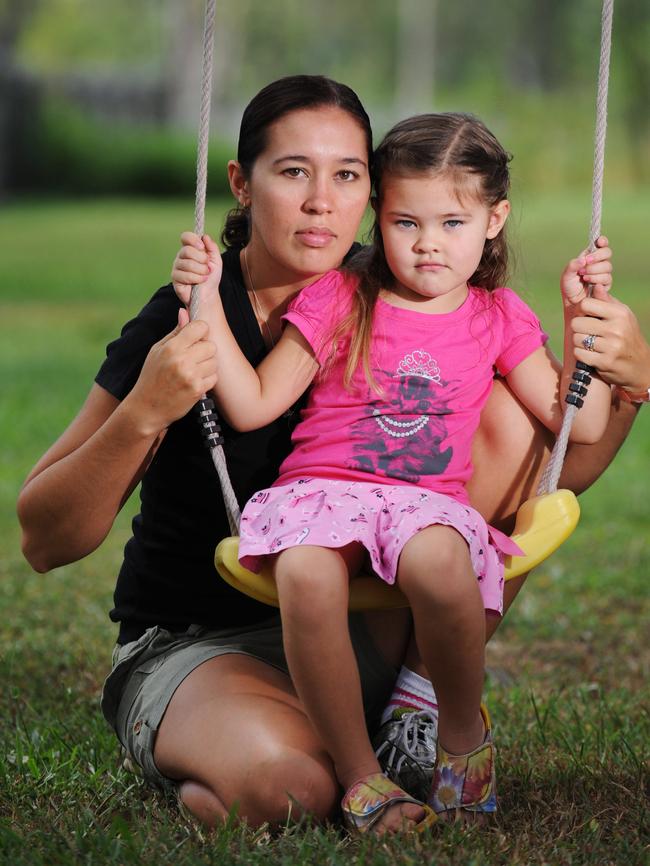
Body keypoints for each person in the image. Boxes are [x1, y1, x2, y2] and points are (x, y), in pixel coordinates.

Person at [16, 75, 648, 831]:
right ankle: (244, 752)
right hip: (201, 640)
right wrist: (149, 407)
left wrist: (631, 384)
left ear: (371, 194)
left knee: (505, 419)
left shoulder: (406, 292)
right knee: (295, 793)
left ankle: (417, 708)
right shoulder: (189, 318)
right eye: (292, 172)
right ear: (241, 185)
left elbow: (549, 482)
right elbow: (45, 541)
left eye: (346, 175)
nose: (322, 201)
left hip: (363, 625)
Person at [171, 111, 614, 833]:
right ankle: (359, 776)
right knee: (306, 573)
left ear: (494, 219)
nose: (428, 244)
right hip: (319, 494)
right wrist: (206, 300)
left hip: (422, 503)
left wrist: (577, 319)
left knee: (443, 564)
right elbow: (251, 406)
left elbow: (583, 424)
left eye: (452, 222)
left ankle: (460, 737)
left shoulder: (497, 315)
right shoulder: (342, 297)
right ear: (380, 217)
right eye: (406, 222)